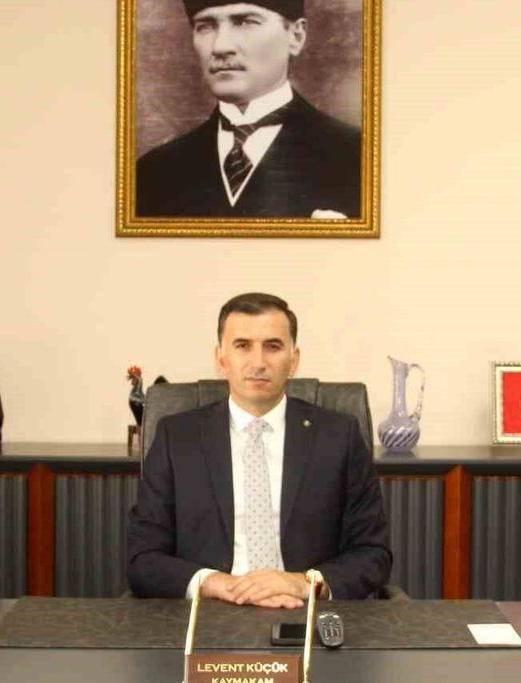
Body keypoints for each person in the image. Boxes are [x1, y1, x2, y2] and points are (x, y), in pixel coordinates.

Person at [127, 293, 390, 605]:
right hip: (209, 611)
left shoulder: (338, 437)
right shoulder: (177, 438)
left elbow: (373, 553)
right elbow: (143, 558)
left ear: (294, 360)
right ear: (221, 359)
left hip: (305, 611)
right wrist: (214, 583)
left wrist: (304, 583)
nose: (258, 363)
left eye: (273, 346)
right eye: (242, 346)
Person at [135, 1, 362, 219]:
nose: (220, 47)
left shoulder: (359, 159)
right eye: (205, 26)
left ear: (296, 36)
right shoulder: (154, 172)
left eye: (245, 22)